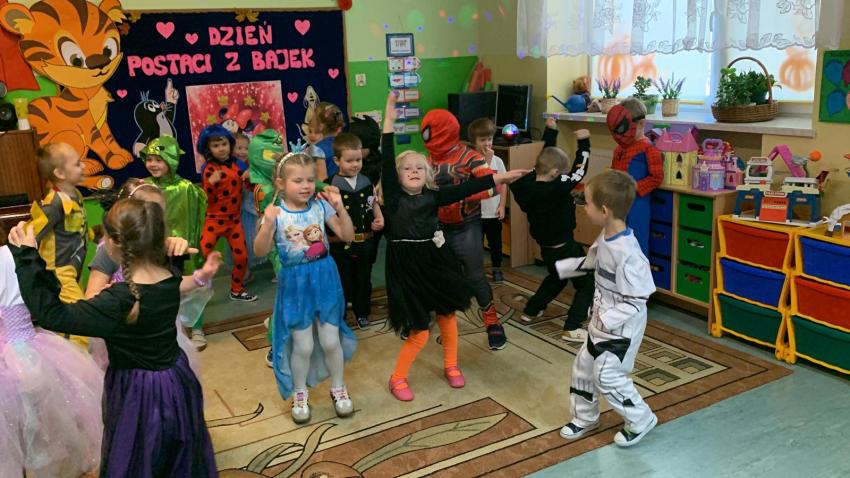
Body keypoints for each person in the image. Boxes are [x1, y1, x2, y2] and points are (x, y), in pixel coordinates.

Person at [8, 198, 221, 476]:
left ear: (112, 243)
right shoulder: (170, 275)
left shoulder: (118, 300)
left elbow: (53, 315)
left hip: (139, 392)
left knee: (140, 455)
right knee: (176, 451)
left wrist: (27, 257)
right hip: (177, 380)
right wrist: (174, 250)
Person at [381, 92, 527, 401]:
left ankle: (452, 364)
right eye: (407, 169)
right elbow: (386, 156)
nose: (414, 171)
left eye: (419, 168)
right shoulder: (393, 199)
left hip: (436, 258)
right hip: (407, 269)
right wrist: (389, 120)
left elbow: (469, 186)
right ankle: (397, 378)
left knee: (448, 314)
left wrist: (501, 177)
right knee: (420, 331)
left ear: (427, 174)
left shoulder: (433, 195)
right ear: (396, 176)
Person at [555, 170, 658, 447]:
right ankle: (585, 418)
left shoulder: (629, 254)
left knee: (606, 375)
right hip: (600, 325)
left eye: (586, 203)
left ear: (604, 210)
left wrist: (606, 317)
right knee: (583, 369)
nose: (583, 207)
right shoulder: (606, 237)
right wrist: (564, 268)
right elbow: (593, 261)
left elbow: (638, 300)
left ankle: (641, 418)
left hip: (621, 331)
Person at [253, 151, 357, 425]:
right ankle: (300, 393)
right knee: (303, 346)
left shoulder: (320, 206)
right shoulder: (276, 213)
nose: (306, 186)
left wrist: (341, 208)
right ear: (280, 183)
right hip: (295, 285)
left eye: (310, 180)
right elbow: (260, 251)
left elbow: (347, 235)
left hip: (325, 279)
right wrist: (268, 224)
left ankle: (338, 387)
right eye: (297, 180)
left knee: (331, 341)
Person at [0, 224, 103, 478]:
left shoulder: (8, 256)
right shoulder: (14, 253)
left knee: (15, 436)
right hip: (32, 355)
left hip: (10, 363)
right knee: (38, 427)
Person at [86, 179, 210, 362]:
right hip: (126, 343)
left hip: (160, 335)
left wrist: (194, 271)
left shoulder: (159, 245)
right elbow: (90, 297)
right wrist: (107, 294)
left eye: (159, 213)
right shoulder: (110, 250)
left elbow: (169, 284)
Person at [420, 109, 506, 350]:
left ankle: (492, 322)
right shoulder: (426, 161)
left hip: (466, 225)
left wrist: (460, 194)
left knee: (475, 276)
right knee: (437, 276)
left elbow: (493, 188)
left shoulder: (470, 157)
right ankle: (435, 320)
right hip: (437, 227)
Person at [510, 117, 595, 342]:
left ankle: (531, 310)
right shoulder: (556, 188)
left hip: (547, 248)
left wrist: (550, 132)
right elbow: (579, 171)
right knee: (587, 284)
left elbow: (544, 159)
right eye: (560, 172)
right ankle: (572, 326)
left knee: (557, 277)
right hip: (565, 247)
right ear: (555, 173)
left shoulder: (526, 184)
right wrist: (584, 143)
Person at [28, 142, 89, 348]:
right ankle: (76, 364)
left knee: (73, 321)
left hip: (73, 271)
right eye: (77, 164)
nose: (83, 167)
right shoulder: (54, 203)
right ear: (60, 173)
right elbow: (31, 234)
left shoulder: (76, 195)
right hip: (59, 273)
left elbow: (74, 228)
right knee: (78, 323)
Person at [328, 132, 384, 329]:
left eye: (358, 160)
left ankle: (362, 312)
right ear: (337, 161)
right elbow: (327, 214)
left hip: (365, 241)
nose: (355, 164)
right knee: (342, 280)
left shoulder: (366, 181)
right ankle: (340, 315)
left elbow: (372, 203)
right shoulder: (330, 186)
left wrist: (379, 218)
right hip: (340, 244)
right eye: (349, 160)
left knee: (364, 279)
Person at [197, 124, 256, 301]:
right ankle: (195, 288)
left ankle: (237, 289)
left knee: (242, 257)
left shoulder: (238, 165)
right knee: (202, 252)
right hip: (214, 220)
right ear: (208, 149)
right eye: (216, 145)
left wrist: (250, 178)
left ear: (230, 144)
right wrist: (211, 183)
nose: (221, 148)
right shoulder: (209, 169)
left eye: (224, 144)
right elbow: (207, 198)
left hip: (234, 221)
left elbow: (249, 187)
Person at [141, 135, 207, 272]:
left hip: (179, 249)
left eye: (159, 160)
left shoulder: (185, 188)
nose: (152, 164)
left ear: (171, 161)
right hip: (153, 247)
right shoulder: (144, 186)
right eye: (149, 159)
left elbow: (193, 224)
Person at [606, 99, 663, 256]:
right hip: (617, 204)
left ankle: (637, 271)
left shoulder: (648, 149)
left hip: (637, 205)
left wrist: (635, 186)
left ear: (641, 124)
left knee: (636, 242)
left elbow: (656, 177)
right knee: (616, 242)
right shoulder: (619, 149)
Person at [467, 118, 507, 283]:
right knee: (475, 244)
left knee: (496, 243)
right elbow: (481, 182)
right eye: (482, 140)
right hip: (475, 213)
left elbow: (503, 184)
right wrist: (487, 160)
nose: (487, 143)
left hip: (493, 212)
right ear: (474, 142)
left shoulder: (498, 161)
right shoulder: (471, 162)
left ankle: (497, 268)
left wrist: (502, 205)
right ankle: (475, 270)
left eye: (489, 139)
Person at [307, 102, 345, 179]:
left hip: (330, 186)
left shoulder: (317, 149)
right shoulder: (347, 143)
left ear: (320, 126)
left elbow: (322, 179)